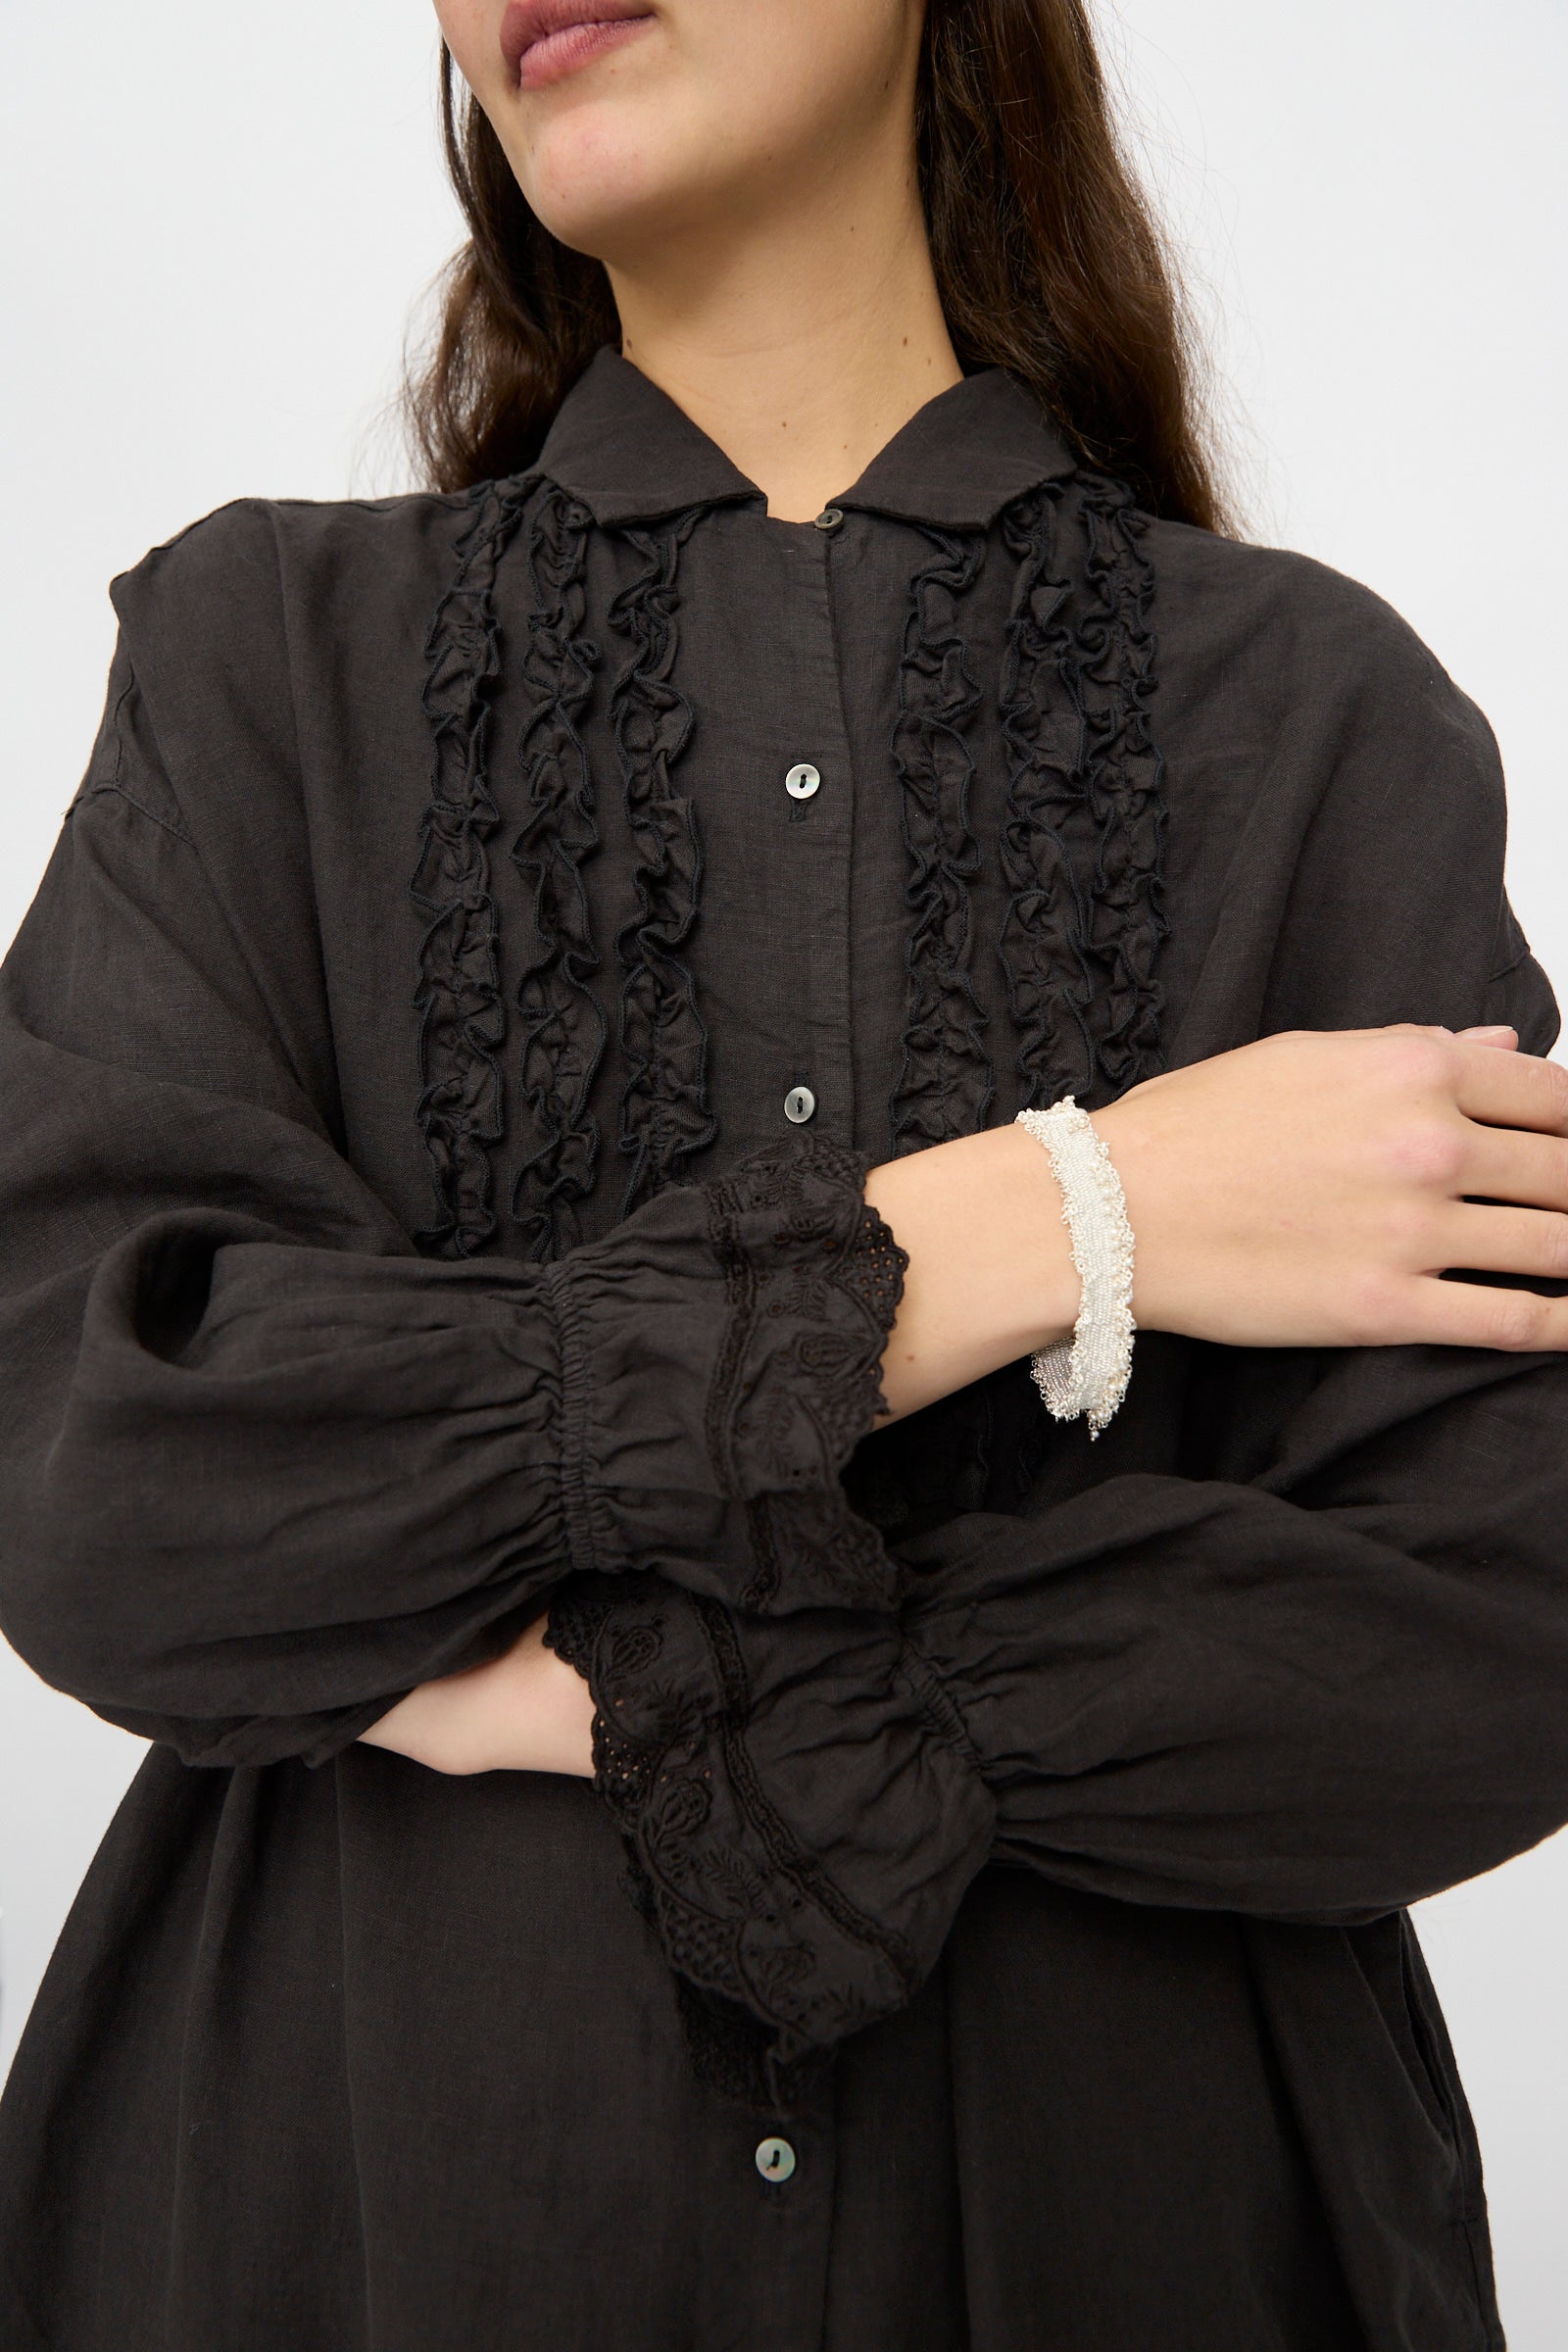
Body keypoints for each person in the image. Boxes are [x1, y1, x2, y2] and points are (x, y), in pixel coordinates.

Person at [1, 1, 1566, 2345]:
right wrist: (1062, 1219)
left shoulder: (1317, 726)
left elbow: (1497, 1616)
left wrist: (584, 1673)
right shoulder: (257, 669)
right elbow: (108, 1470)